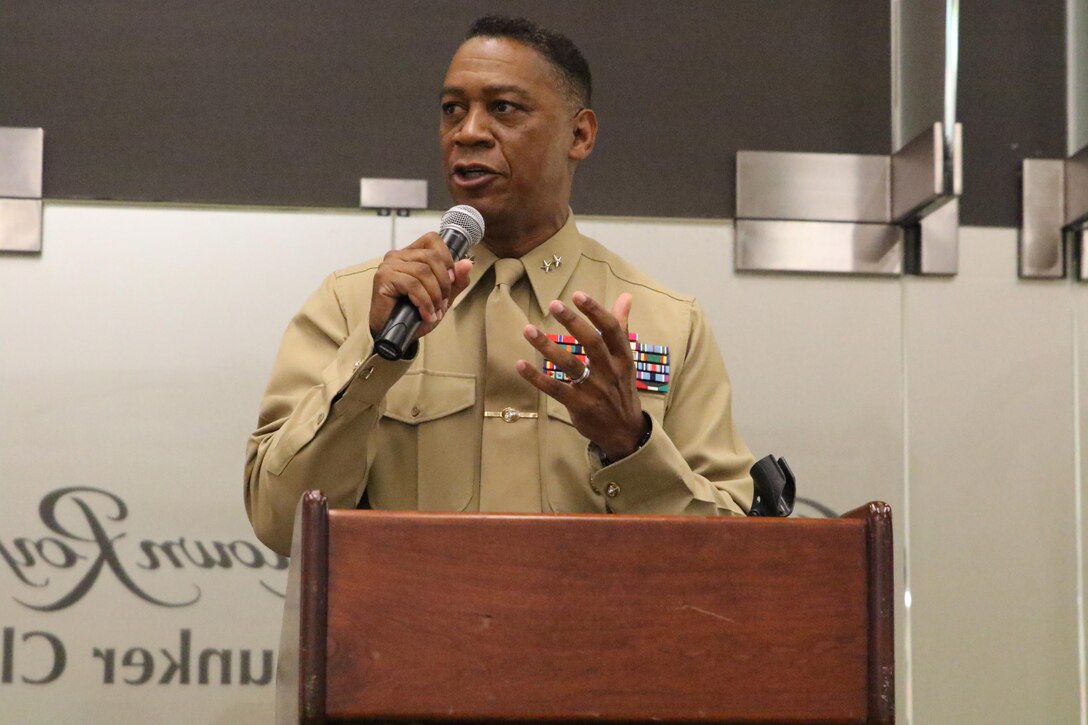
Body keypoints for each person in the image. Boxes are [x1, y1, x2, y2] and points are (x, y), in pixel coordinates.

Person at [245, 15, 754, 556]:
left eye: (503, 108)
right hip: (406, 638)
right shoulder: (355, 305)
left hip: (594, 638)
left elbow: (730, 553)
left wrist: (630, 443)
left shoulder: (669, 321)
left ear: (579, 134)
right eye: (453, 110)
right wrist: (375, 355)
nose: (468, 132)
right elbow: (282, 524)